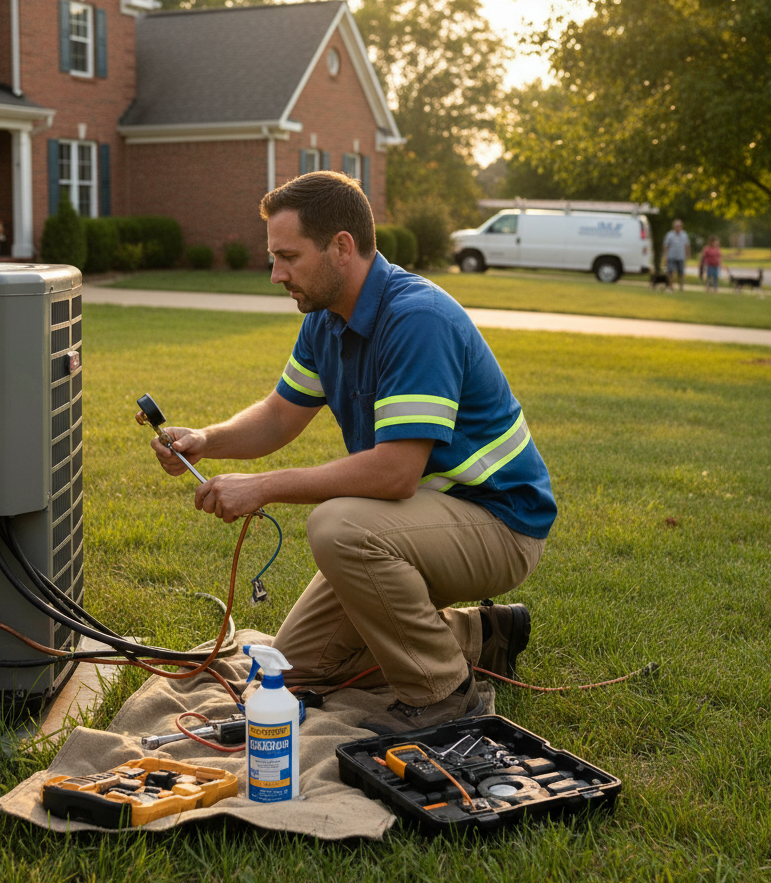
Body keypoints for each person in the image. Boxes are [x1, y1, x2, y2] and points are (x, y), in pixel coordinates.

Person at [150, 172, 556, 735]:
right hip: (417, 521)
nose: (276, 274)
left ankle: (443, 692)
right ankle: (483, 637)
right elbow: (278, 414)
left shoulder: (416, 318)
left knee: (339, 527)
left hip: (500, 524)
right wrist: (207, 440)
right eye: (274, 258)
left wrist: (262, 486)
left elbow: (394, 473)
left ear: (342, 246)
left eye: (288, 256)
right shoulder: (325, 320)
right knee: (290, 673)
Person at [663, 219, 691, 291]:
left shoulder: (684, 235)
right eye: (676, 226)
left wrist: (687, 255)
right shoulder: (669, 235)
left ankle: (681, 287)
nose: (678, 227)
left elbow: (687, 245)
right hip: (671, 256)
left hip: (681, 256)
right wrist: (665, 256)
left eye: (679, 226)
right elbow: (666, 246)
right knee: (670, 272)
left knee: (681, 273)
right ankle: (670, 286)